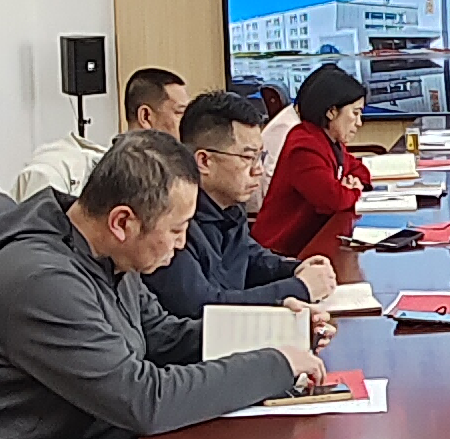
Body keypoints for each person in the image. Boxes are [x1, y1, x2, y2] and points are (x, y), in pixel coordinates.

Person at [0, 132, 333, 439]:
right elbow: (145, 400)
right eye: (176, 229)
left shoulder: (104, 253)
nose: (182, 244)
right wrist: (275, 365)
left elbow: (163, 337)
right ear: (123, 222)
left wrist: (276, 331)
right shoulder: (43, 282)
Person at [146, 91, 341, 317]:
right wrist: (299, 288)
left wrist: (296, 268)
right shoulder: (173, 219)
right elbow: (203, 307)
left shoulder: (229, 205)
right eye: (248, 158)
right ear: (204, 161)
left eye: (260, 157)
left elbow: (250, 258)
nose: (258, 169)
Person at [8, 66, 192, 199]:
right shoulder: (86, 173)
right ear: (145, 116)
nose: (188, 121)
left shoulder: (179, 171)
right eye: (180, 112)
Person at [254, 64, 369, 259]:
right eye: (355, 113)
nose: (359, 122)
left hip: (309, 243)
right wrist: (354, 190)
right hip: (277, 254)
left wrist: (351, 185)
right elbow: (334, 199)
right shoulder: (304, 145)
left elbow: (359, 170)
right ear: (331, 112)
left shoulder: (329, 140)